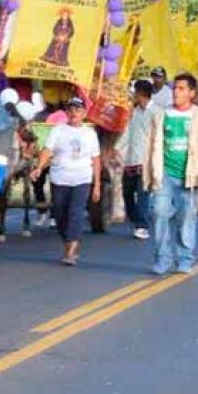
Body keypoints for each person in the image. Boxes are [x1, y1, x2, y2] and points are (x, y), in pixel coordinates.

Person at [142, 73, 198, 276]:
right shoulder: (161, 114)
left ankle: (184, 259)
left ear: (191, 93)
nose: (176, 92)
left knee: (186, 219)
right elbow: (151, 147)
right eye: (175, 88)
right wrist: (148, 175)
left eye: (182, 89)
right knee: (159, 214)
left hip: (188, 176)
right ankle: (162, 258)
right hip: (164, 173)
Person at [30, 97, 100, 266]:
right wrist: (39, 167)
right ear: (66, 113)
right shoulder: (58, 131)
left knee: (75, 213)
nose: (74, 113)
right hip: (60, 178)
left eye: (78, 110)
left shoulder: (89, 133)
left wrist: (96, 184)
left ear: (83, 113)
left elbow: (96, 159)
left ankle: (70, 251)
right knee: (60, 214)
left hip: (82, 179)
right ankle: (68, 240)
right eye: (71, 110)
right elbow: (47, 150)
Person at [115, 81, 155, 241]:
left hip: (147, 160)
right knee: (127, 194)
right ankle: (136, 220)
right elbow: (127, 133)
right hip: (131, 159)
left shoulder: (157, 112)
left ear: (140, 93)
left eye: (134, 94)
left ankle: (142, 226)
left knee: (143, 194)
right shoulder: (134, 112)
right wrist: (116, 148)